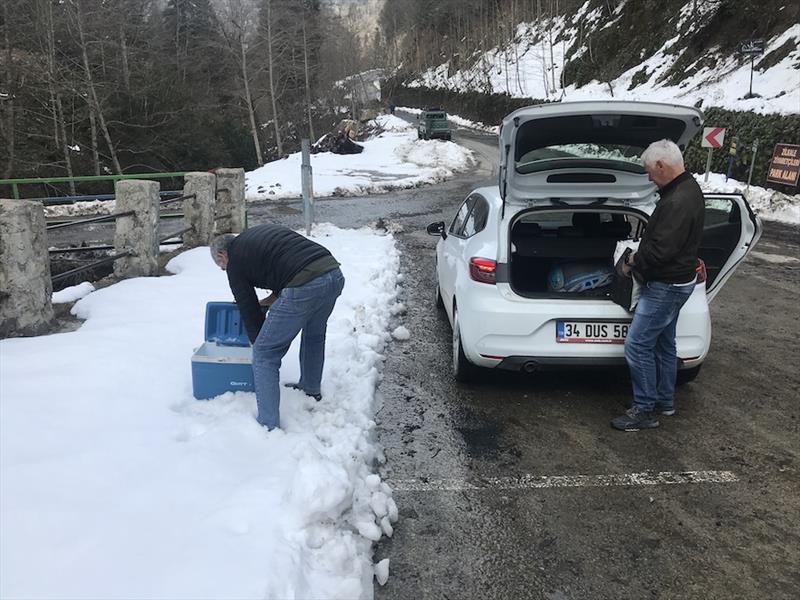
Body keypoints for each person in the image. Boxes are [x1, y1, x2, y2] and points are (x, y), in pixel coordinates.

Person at [210, 225, 345, 430]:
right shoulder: (255, 238)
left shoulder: (235, 261)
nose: (225, 270)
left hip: (306, 283)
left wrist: (260, 342)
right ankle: (310, 388)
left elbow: (247, 306)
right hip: (332, 274)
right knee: (314, 335)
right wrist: (269, 301)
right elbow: (284, 268)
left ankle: (267, 424)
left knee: (265, 354)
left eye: (222, 266)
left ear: (222, 254)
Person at [611, 139, 705, 432]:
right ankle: (665, 402)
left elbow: (660, 251)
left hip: (666, 286)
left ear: (662, 166)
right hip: (679, 281)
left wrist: (632, 261)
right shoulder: (688, 190)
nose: (649, 177)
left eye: (650, 171)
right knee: (665, 344)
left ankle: (644, 409)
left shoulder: (677, 201)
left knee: (637, 345)